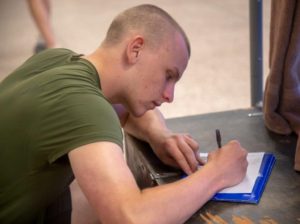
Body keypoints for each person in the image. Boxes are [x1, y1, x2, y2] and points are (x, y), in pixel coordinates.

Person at [0, 4, 248, 224]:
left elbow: (124, 110)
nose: (170, 96)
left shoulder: (57, 60)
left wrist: (159, 135)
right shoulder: (84, 106)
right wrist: (217, 173)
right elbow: (129, 217)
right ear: (136, 49)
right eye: (168, 76)